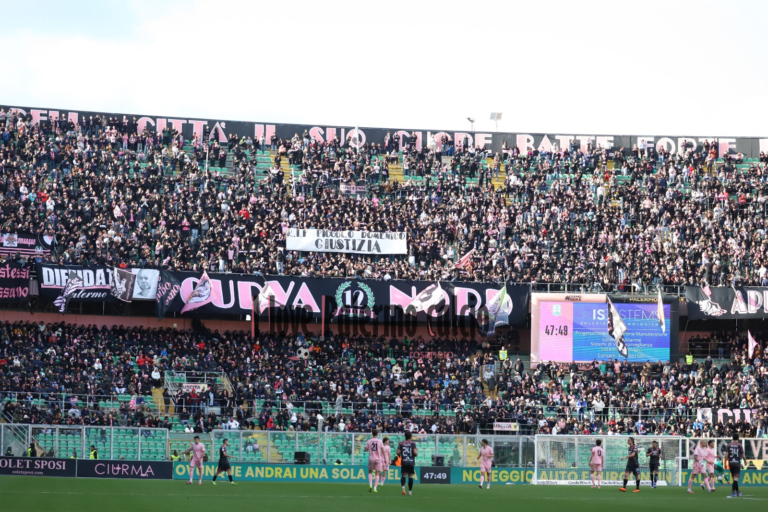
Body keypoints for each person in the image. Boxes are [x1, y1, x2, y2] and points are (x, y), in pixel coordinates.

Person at [397, 431, 418, 496]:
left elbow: (398, 452)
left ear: (405, 436)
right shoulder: (413, 443)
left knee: (404, 475)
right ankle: (410, 491)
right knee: (411, 475)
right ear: (411, 436)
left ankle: (403, 487)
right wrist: (415, 453)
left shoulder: (401, 443)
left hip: (404, 461)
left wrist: (401, 452)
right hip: (411, 461)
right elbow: (415, 453)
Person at [364, 429, 385, 493]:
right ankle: (375, 488)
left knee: (370, 471)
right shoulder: (380, 441)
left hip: (371, 458)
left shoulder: (369, 441)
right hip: (378, 458)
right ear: (377, 434)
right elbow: (383, 450)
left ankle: (370, 484)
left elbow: (365, 449)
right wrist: (385, 458)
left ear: (372, 434)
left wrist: (369, 449)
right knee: (377, 473)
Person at [726, 433, 747, 498]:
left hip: (731, 463)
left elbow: (726, 455)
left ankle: (738, 492)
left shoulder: (729, 445)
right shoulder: (739, 445)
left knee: (735, 478)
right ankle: (732, 492)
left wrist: (724, 463)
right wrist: (745, 461)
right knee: (736, 478)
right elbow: (743, 455)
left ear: (732, 438)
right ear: (738, 438)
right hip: (737, 463)